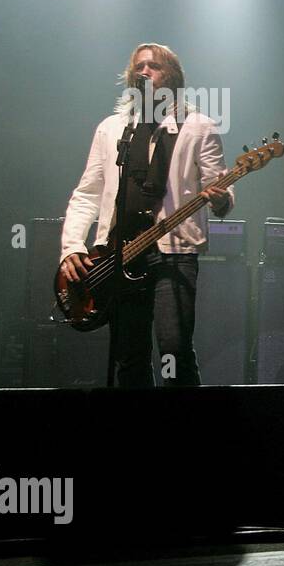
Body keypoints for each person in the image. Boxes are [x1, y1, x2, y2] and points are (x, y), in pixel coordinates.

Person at [59, 43, 234, 387]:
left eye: (153, 66)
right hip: (118, 254)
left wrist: (220, 199)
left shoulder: (199, 126)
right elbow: (87, 193)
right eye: (138, 67)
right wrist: (71, 247)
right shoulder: (112, 129)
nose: (144, 72)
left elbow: (221, 190)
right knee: (129, 354)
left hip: (173, 254)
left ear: (173, 78)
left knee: (173, 348)